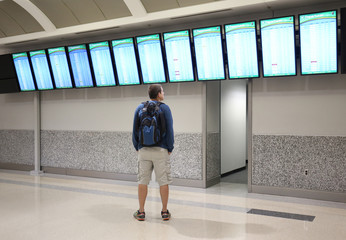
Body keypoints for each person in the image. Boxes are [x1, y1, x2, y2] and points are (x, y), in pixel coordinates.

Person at [132, 84, 174, 221]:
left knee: (142, 181)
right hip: (160, 150)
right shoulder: (165, 108)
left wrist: (138, 146)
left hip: (143, 150)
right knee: (163, 181)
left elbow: (135, 129)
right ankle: (164, 211)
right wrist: (169, 147)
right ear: (159, 94)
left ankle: (142, 212)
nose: (164, 93)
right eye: (163, 91)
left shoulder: (139, 108)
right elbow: (169, 130)